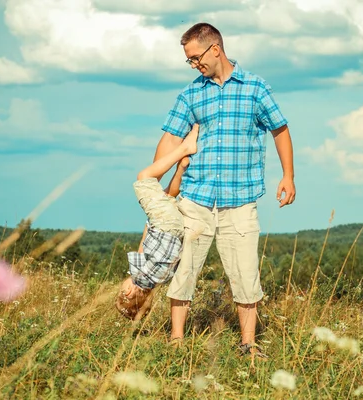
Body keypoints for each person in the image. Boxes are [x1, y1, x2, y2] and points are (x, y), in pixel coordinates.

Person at [153, 23, 296, 357]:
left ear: (214, 49)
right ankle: (176, 342)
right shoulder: (191, 94)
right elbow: (172, 137)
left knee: (245, 275)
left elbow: (280, 129)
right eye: (189, 61)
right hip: (196, 198)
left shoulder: (255, 88)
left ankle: (248, 344)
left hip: (240, 200)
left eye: (195, 58)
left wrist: (288, 176)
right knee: (184, 269)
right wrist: (155, 185)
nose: (193, 65)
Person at [115, 124, 199, 321]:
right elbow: (143, 245)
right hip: (163, 223)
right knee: (144, 178)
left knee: (167, 196)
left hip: (177, 227)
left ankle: (181, 170)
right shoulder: (137, 274)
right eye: (121, 291)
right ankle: (185, 149)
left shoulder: (159, 279)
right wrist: (151, 222)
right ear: (128, 292)